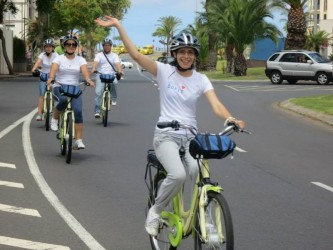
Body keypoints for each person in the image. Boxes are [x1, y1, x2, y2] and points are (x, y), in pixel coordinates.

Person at [95, 16, 245, 236]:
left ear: (195, 56)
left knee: (195, 170)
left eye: (191, 52)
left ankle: (198, 215)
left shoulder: (201, 79)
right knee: (178, 174)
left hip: (190, 137)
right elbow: (136, 55)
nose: (186, 56)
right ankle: (155, 211)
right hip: (166, 134)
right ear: (175, 54)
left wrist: (230, 118)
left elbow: (216, 105)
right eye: (182, 52)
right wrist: (118, 25)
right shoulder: (164, 71)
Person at [47, 35, 95, 149]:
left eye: (73, 45)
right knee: (63, 100)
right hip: (59, 86)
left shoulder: (80, 59)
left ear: (76, 46)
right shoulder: (58, 59)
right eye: (68, 44)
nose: (71, 46)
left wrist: (88, 79)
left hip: (74, 88)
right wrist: (51, 78)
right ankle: (54, 119)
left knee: (78, 111)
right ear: (64, 46)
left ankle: (78, 140)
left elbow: (84, 71)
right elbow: (53, 70)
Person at [91, 38, 123, 118]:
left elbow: (117, 64)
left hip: (111, 75)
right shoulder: (99, 55)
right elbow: (96, 62)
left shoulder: (114, 55)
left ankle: (114, 98)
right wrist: (94, 68)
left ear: (111, 46)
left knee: (115, 82)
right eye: (105, 45)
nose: (107, 46)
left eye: (109, 45)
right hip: (100, 75)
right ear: (103, 46)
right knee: (98, 92)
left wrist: (120, 70)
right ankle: (97, 110)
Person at [31, 39, 59, 121]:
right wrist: (34, 69)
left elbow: (57, 65)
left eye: (50, 46)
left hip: (53, 76)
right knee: (41, 95)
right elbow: (38, 62)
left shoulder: (56, 55)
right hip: (43, 75)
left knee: (55, 95)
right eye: (46, 47)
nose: (48, 48)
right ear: (44, 48)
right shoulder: (42, 55)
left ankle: (56, 114)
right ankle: (39, 114)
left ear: (53, 47)